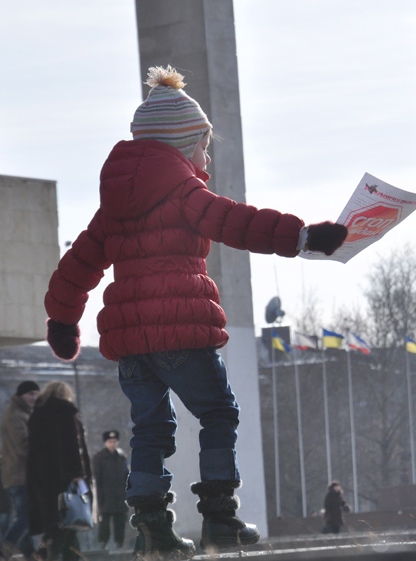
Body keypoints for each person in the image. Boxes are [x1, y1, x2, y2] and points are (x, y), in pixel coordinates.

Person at [43, 66, 348, 560]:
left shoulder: (112, 207)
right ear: (184, 146)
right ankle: (220, 518)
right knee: (218, 412)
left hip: (131, 344)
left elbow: (78, 263)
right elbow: (238, 223)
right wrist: (304, 237)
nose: (206, 159)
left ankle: (152, 530)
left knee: (150, 430)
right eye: (204, 147)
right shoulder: (183, 191)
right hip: (181, 332)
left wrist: (62, 319)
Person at [26, 382, 92, 561]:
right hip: (64, 478)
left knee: (54, 525)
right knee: (69, 523)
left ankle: (48, 554)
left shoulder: (36, 415)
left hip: (41, 478)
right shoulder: (64, 411)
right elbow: (70, 444)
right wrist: (77, 475)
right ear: (66, 394)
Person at [0, 381, 39, 560]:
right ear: (21, 395)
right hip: (19, 475)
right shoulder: (15, 415)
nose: (34, 397)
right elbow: (22, 446)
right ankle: (5, 547)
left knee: (26, 517)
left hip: (18, 474)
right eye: (30, 393)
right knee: (26, 516)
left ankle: (31, 555)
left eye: (36, 393)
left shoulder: (22, 413)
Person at [92, 431, 129, 551]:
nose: (112, 444)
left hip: (120, 495)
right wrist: (99, 497)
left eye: (114, 441)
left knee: (120, 522)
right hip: (106, 495)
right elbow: (97, 478)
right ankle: (103, 543)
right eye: (109, 442)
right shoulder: (99, 458)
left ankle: (120, 543)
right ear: (105, 443)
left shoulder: (121, 457)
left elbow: (126, 475)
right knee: (105, 523)